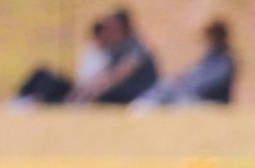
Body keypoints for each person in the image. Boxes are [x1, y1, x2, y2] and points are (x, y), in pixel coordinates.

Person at [14, 9, 157, 106]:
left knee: (83, 97)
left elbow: (117, 75)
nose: (107, 31)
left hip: (126, 94)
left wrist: (88, 93)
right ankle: (24, 99)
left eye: (111, 27)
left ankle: (49, 101)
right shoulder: (109, 49)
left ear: (122, 28)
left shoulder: (135, 47)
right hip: (93, 89)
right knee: (43, 75)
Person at [131, 19, 236, 107]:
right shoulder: (209, 58)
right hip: (195, 96)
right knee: (166, 85)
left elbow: (207, 83)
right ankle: (144, 103)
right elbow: (194, 73)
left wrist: (187, 85)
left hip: (209, 101)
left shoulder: (225, 61)